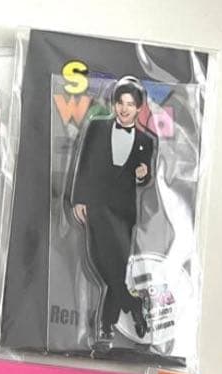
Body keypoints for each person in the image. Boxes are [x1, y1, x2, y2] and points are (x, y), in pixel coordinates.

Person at [69, 76, 156, 345]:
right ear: (114, 104)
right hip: (96, 205)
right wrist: (79, 199)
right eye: (120, 103)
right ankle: (133, 304)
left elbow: (145, 176)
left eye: (130, 104)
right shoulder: (96, 127)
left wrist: (143, 174)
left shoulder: (145, 140)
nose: (124, 108)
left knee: (115, 271)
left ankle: (106, 327)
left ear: (138, 108)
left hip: (122, 212)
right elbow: (84, 163)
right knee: (98, 261)